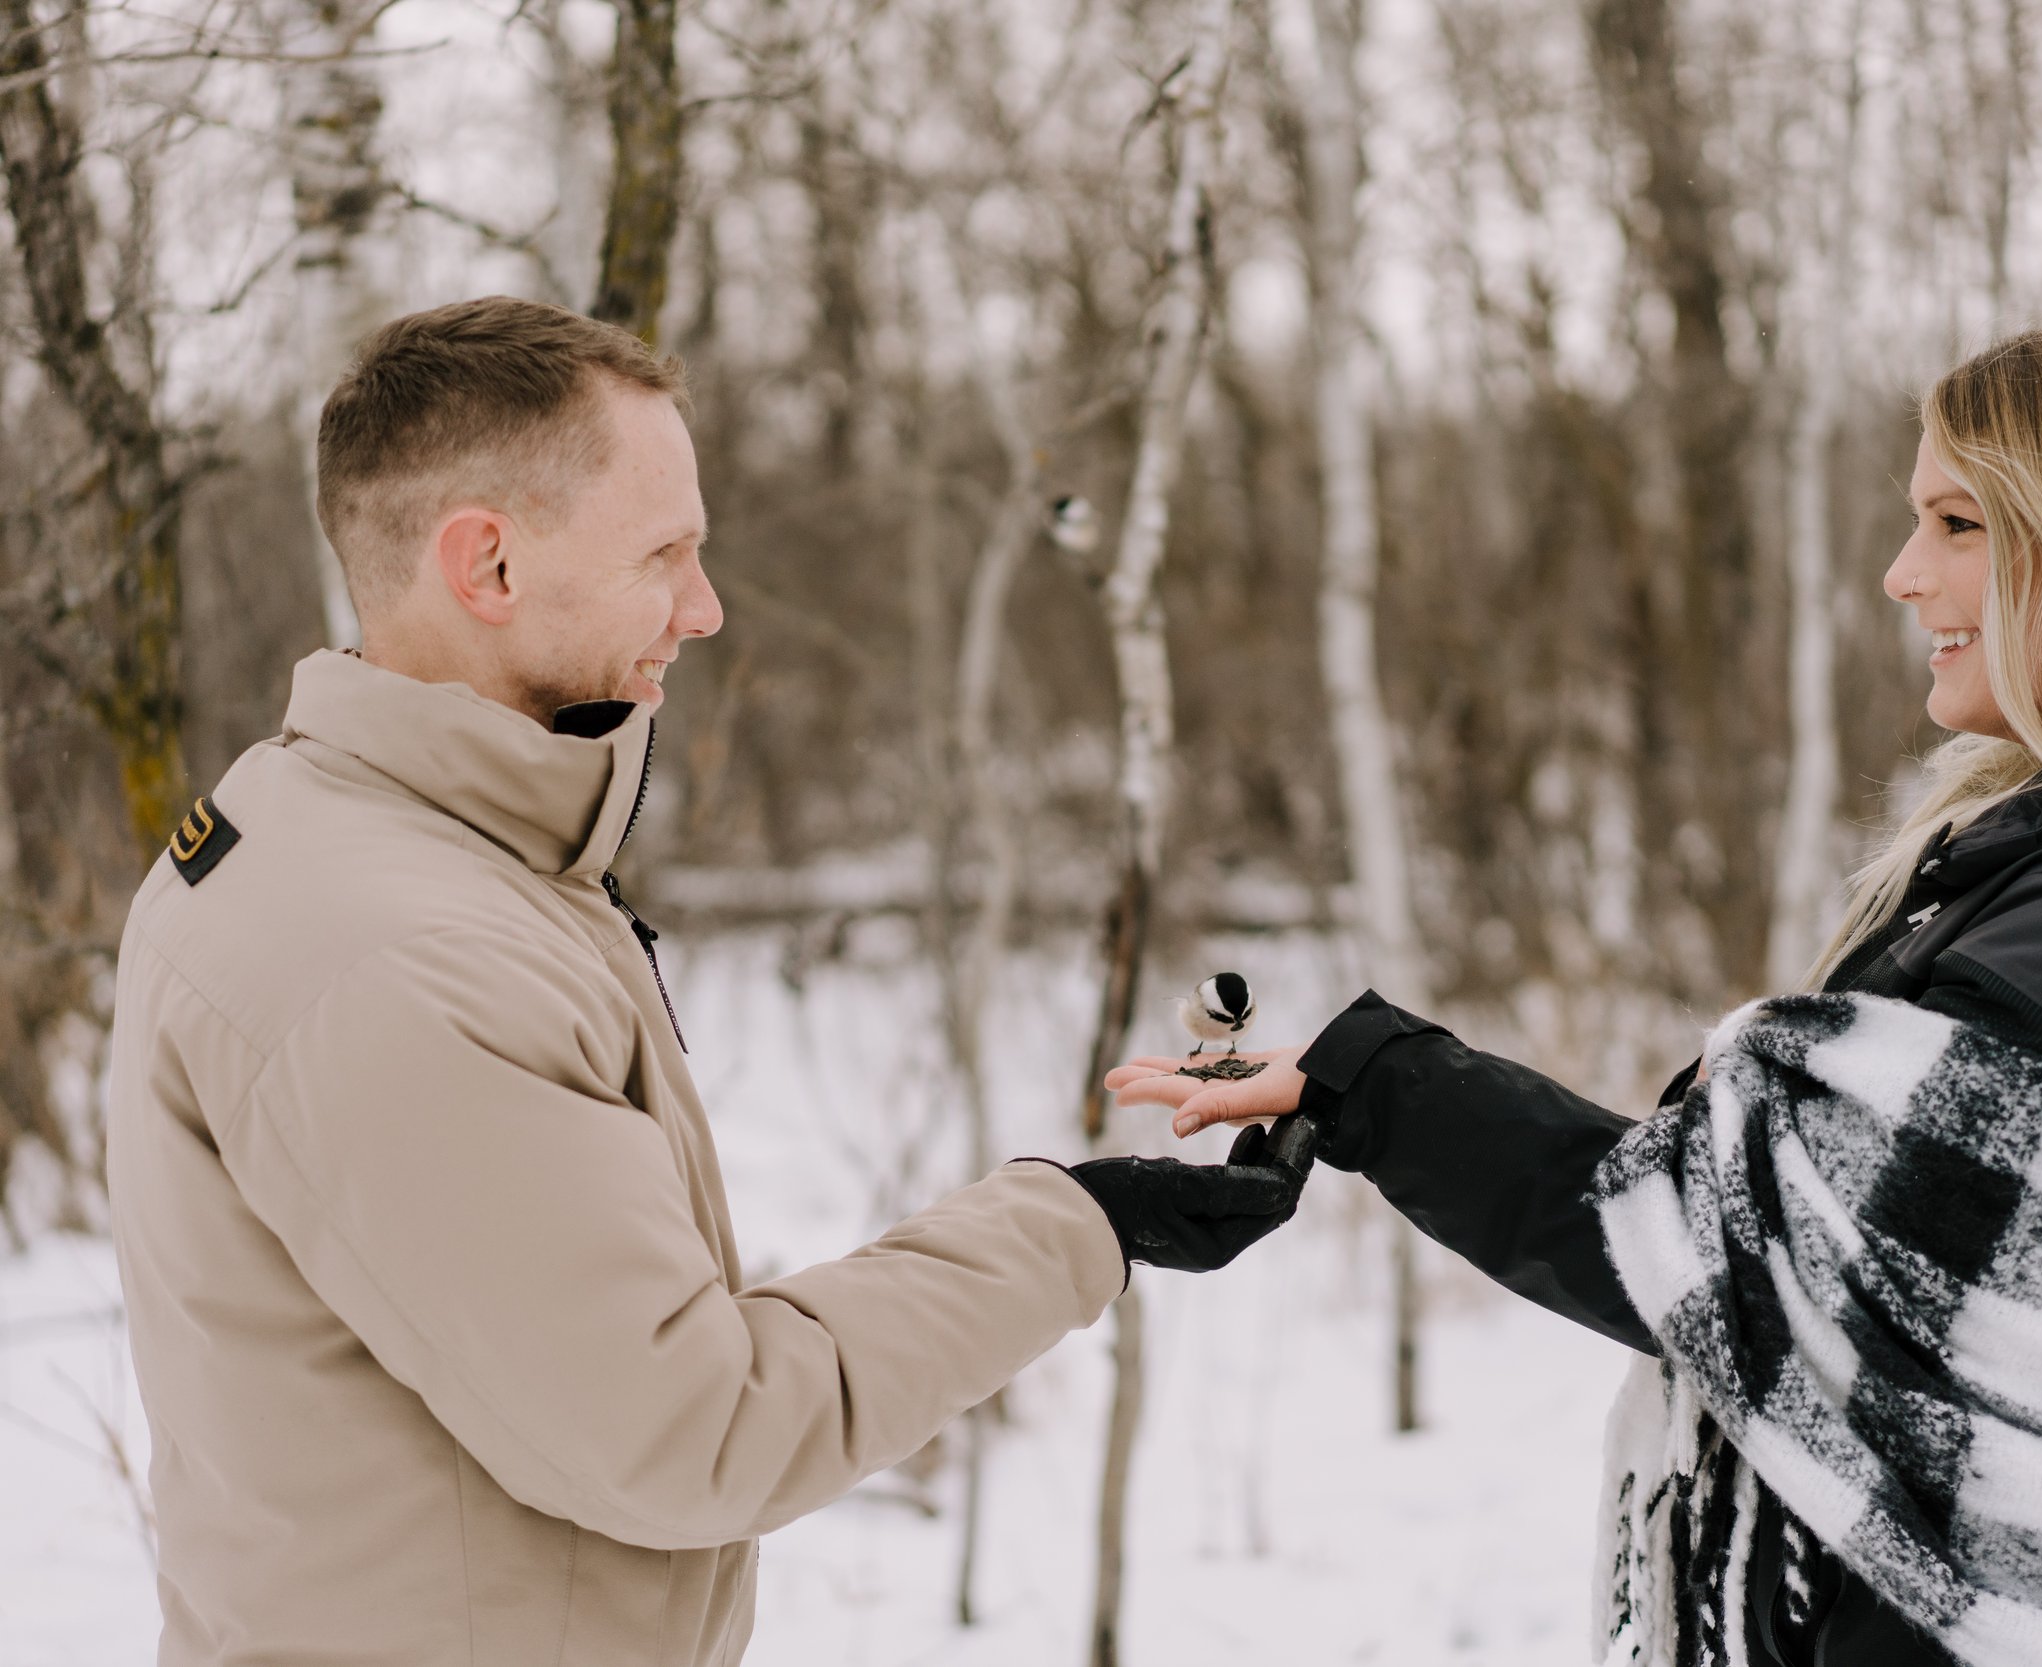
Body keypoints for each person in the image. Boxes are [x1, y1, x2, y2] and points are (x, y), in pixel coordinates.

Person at [1114, 310, 2042, 1666]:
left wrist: (1371, 1085)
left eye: (1959, 525)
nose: (1901, 575)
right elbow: (1767, 1228)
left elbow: (1709, 1252)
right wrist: (1357, 1083)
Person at [106, 296, 1300, 1667]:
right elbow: (688, 1430)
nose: (706, 608)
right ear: (485, 565)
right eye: (664, 554)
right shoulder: (400, 956)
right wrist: (1083, 1223)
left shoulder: (342, 831)